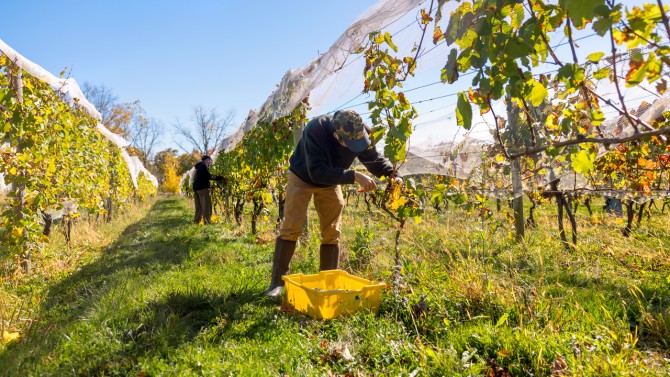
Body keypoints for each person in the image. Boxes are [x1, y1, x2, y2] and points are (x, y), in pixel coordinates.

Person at [265, 110, 399, 297]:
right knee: (291, 226)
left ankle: (326, 283)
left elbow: (374, 161)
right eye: (350, 145)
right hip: (303, 176)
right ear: (336, 136)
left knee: (332, 232)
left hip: (331, 180)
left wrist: (394, 177)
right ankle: (277, 283)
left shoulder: (360, 134)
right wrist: (355, 176)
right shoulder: (316, 130)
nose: (355, 148)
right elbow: (316, 172)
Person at [192, 155, 222, 224]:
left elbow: (202, 177)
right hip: (203, 188)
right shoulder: (204, 166)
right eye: (210, 161)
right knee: (206, 206)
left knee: (198, 207)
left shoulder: (198, 167)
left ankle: (196, 221)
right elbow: (209, 176)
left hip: (196, 189)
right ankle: (207, 221)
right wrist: (220, 178)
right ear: (208, 160)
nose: (210, 163)